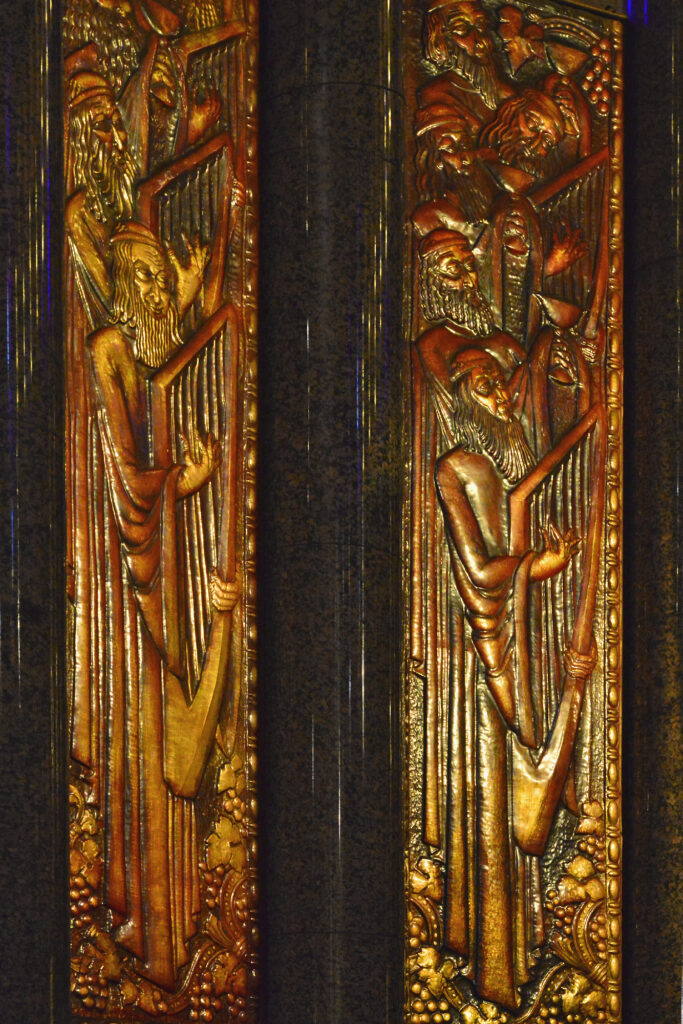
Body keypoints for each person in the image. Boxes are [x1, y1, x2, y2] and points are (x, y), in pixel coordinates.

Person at [72, 221, 239, 988]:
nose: (154, 286)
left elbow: (165, 376)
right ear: (114, 282)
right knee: (142, 744)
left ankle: (169, 940)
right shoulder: (108, 348)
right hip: (122, 594)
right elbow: (120, 473)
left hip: (156, 585)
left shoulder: (141, 351)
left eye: (158, 276)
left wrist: (190, 297)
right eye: (141, 274)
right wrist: (181, 482)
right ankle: (138, 937)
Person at [433, 347, 593, 1007]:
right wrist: (533, 567)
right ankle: (489, 968)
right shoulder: (455, 467)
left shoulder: (515, 460)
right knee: (493, 798)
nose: (500, 394)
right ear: (461, 397)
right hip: (487, 665)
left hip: (525, 647)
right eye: (484, 384)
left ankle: (525, 955)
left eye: (501, 382)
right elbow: (476, 569)